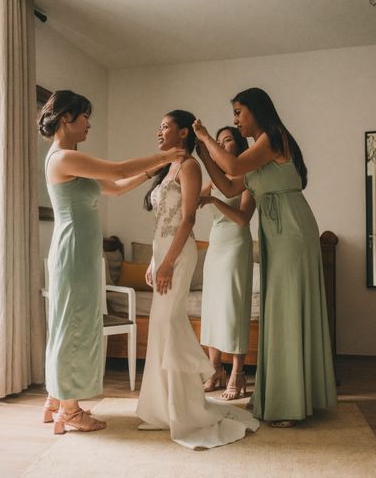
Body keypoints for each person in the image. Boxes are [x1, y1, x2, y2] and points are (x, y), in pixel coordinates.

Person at [38, 90, 187, 434]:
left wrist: (157, 168)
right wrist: (160, 155)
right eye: (85, 116)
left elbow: (116, 186)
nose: (89, 123)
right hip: (73, 253)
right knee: (74, 327)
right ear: (66, 119)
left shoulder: (71, 158)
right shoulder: (62, 158)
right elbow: (118, 168)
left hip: (77, 253)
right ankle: (71, 411)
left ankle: (56, 400)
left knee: (68, 325)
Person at [193, 87, 337, 427]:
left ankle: (290, 402)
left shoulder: (272, 138)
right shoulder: (259, 152)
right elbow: (229, 186)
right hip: (275, 232)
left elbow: (232, 163)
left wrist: (203, 135)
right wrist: (203, 153)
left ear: (257, 111)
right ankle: (289, 395)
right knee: (279, 310)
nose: (236, 121)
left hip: (291, 227)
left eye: (239, 113)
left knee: (287, 309)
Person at [136, 110, 259, 449]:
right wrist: (153, 259)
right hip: (163, 252)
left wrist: (168, 262)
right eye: (158, 126)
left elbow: (187, 219)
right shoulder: (168, 167)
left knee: (170, 321)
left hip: (179, 253)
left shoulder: (190, 166)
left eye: (165, 126)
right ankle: (163, 407)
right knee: (161, 327)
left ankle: (185, 407)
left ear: (183, 133)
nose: (159, 131)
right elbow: (162, 219)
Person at [196, 126, 256, 400]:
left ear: (239, 145)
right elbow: (192, 196)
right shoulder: (215, 179)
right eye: (217, 141)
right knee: (212, 307)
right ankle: (214, 368)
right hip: (215, 246)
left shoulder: (249, 176)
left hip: (235, 244)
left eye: (227, 140)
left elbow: (243, 218)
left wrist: (212, 200)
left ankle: (238, 372)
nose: (221, 144)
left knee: (233, 307)